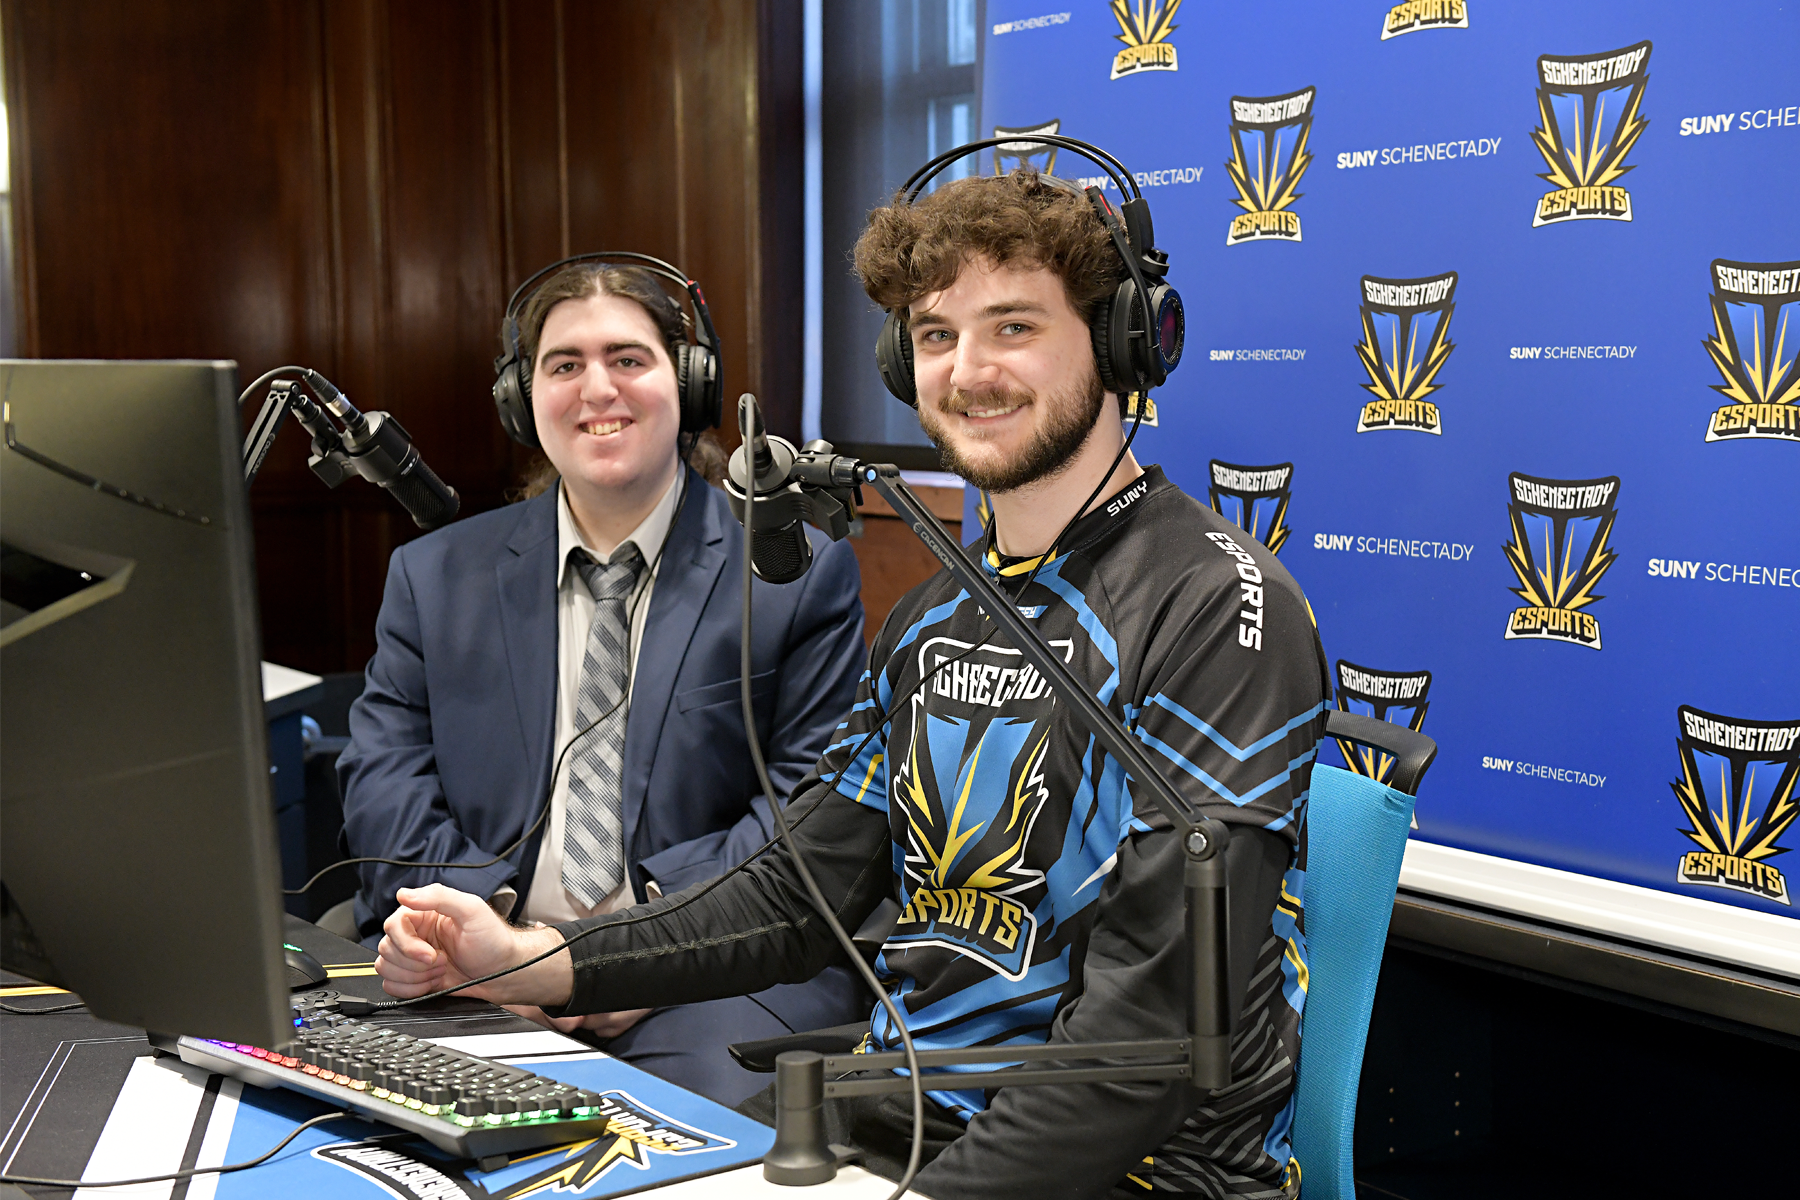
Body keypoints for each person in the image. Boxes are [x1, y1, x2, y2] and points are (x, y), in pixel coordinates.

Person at [374, 174, 1329, 1199]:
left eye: (1013, 326)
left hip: (1131, 1174)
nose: (968, 371)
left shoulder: (1220, 607)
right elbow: (800, 890)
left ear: (1123, 341)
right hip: (903, 1128)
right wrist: (531, 957)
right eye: (933, 336)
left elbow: (1154, 1028)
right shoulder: (934, 618)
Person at [337, 258, 870, 1106]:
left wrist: (622, 958)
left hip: (716, 976)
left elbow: (809, 808)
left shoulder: (792, 573)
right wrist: (495, 947)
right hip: (477, 960)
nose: (598, 390)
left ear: (689, 387)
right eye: (564, 364)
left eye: (628, 359)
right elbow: (384, 781)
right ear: (523, 398)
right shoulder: (432, 577)